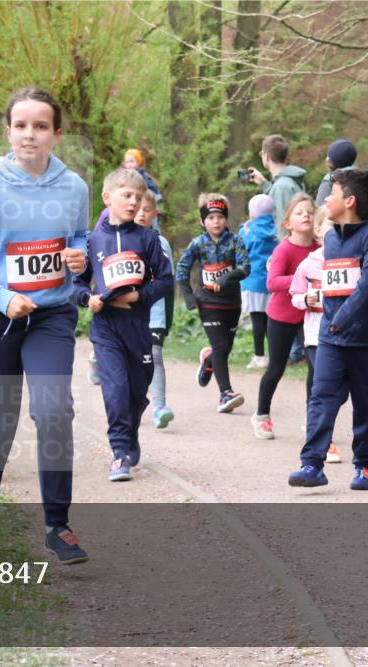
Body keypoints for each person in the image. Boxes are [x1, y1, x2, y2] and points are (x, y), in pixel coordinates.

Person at [0, 87, 90, 564]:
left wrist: (78, 257)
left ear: (57, 134)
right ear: (8, 131)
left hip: (50, 315)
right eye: (21, 126)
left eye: (41, 126)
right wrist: (3, 297)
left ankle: (57, 525)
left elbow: (79, 240)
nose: (30, 134)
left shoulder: (75, 188)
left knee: (53, 411)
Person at [288, 169, 368, 490]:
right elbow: (330, 285)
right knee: (321, 398)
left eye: (333, 193)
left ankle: (365, 467)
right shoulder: (330, 238)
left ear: (350, 201)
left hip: (367, 339)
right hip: (331, 337)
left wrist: (343, 316)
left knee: (366, 404)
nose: (327, 198)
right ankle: (312, 465)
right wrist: (330, 320)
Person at [74, 169, 173, 482]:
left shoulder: (148, 238)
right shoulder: (93, 240)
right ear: (108, 198)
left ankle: (130, 434)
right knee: (115, 391)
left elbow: (166, 281)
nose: (134, 203)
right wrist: (87, 299)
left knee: (135, 394)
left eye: (138, 198)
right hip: (106, 328)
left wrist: (138, 295)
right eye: (127, 196)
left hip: (138, 328)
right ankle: (119, 453)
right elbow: (75, 284)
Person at [251, 193, 319, 440]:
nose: (306, 216)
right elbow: (272, 282)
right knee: (276, 368)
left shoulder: (320, 249)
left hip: (308, 317)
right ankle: (261, 415)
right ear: (288, 222)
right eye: (299, 213)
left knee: (316, 367)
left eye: (310, 212)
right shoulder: (284, 249)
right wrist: (302, 279)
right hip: (280, 316)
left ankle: (313, 418)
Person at [175, 194, 250, 413]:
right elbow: (181, 269)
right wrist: (189, 297)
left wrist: (226, 278)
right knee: (221, 346)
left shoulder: (235, 240)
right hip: (208, 302)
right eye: (211, 218)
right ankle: (225, 393)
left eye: (220, 217)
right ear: (202, 221)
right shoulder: (197, 244)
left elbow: (245, 267)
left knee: (223, 350)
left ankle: (209, 361)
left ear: (226, 219)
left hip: (232, 303)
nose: (216, 221)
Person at [290, 206, 343, 463]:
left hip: (342, 335)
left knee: (340, 391)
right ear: (319, 230)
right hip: (314, 335)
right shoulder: (308, 264)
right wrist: (306, 299)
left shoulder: (349, 262)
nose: (336, 231)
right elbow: (295, 296)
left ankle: (316, 425)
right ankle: (325, 442)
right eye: (331, 226)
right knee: (325, 388)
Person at [135, 189, 175, 428]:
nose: (141, 214)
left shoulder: (161, 244)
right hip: (127, 312)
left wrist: (167, 320)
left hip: (156, 312)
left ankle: (160, 406)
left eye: (147, 210)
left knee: (155, 356)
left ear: (155, 214)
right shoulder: (119, 240)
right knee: (131, 359)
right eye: (138, 209)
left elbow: (168, 284)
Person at [239, 194, 279, 369]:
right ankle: (275, 355)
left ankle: (259, 356)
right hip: (272, 280)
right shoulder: (278, 229)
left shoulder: (248, 230)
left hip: (253, 280)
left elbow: (240, 252)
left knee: (257, 320)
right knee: (271, 320)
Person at [248, 134, 307, 225]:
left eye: (261, 154)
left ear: (267, 156)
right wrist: (263, 183)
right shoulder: (292, 180)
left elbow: (283, 225)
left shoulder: (281, 188)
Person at [315, 139, 357, 207]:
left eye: (329, 156)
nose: (326, 159)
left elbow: (319, 211)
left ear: (332, 162)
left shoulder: (329, 181)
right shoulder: (360, 178)